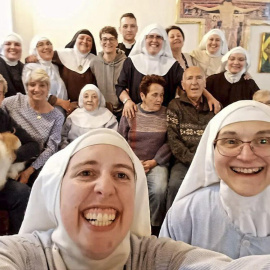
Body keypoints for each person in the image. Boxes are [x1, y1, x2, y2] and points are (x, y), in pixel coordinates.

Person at [1, 129, 270, 269]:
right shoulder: (20, 255)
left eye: (121, 175)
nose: (105, 188)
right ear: (54, 191)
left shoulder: (158, 258)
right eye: (86, 173)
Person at [160, 100, 270, 259]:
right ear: (211, 151)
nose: (246, 156)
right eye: (231, 141)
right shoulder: (186, 214)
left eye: (264, 141)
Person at [118, 75, 171, 233]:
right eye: (154, 95)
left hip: (157, 162)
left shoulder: (167, 114)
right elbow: (120, 140)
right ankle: (128, 227)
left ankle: (153, 228)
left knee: (159, 189)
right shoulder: (130, 112)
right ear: (143, 95)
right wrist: (132, 162)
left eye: (161, 95)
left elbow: (170, 143)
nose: (159, 99)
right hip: (132, 162)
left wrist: (155, 161)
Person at [1, 69, 64, 186]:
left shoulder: (57, 117)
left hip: (34, 163)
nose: (37, 89)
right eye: (32, 85)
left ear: (48, 88)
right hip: (7, 155)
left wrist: (28, 172)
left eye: (42, 85)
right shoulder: (11, 102)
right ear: (26, 87)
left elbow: (51, 149)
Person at [166, 66, 215, 210]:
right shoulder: (175, 105)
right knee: (175, 185)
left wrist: (207, 160)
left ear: (205, 83)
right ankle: (170, 224)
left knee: (214, 188)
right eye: (189, 78)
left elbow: (218, 139)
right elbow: (173, 140)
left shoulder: (214, 107)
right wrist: (194, 160)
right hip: (183, 161)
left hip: (208, 161)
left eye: (199, 78)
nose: (194, 83)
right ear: (183, 84)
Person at [116, 23, 184, 118]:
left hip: (164, 118)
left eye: (158, 37)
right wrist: (127, 101)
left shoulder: (172, 65)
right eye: (150, 36)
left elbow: (188, 84)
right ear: (144, 39)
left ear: (163, 41)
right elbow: (120, 87)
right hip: (135, 115)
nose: (154, 40)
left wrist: (209, 97)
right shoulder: (131, 62)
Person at [26, 29, 97, 105]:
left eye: (89, 40)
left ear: (92, 45)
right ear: (75, 40)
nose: (85, 41)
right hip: (66, 105)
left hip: (88, 105)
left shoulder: (95, 61)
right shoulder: (61, 55)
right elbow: (44, 55)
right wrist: (29, 58)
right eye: (82, 38)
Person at [0, 108, 39, 234]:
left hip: (2, 177)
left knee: (22, 192)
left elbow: (33, 145)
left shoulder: (3, 117)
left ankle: (17, 243)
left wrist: (13, 155)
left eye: (0, 93)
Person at [22, 35, 69, 114]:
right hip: (41, 115)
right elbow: (33, 92)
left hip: (59, 115)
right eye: (40, 45)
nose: (46, 47)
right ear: (35, 49)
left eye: (48, 43)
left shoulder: (55, 67)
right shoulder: (30, 68)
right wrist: (61, 102)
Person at [61, 84, 118, 148]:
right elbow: (63, 137)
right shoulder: (73, 117)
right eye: (86, 96)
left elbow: (113, 139)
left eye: (94, 97)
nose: (90, 100)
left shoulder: (108, 117)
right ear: (82, 98)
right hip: (74, 152)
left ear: (99, 99)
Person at [91, 26, 126, 119]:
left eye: (111, 39)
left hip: (122, 111)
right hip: (101, 110)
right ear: (100, 42)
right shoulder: (94, 62)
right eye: (104, 39)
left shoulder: (126, 62)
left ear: (117, 42)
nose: (108, 42)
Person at [0, 33, 25, 97]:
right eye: (8, 44)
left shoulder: (25, 68)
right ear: (2, 46)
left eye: (17, 44)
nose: (13, 47)